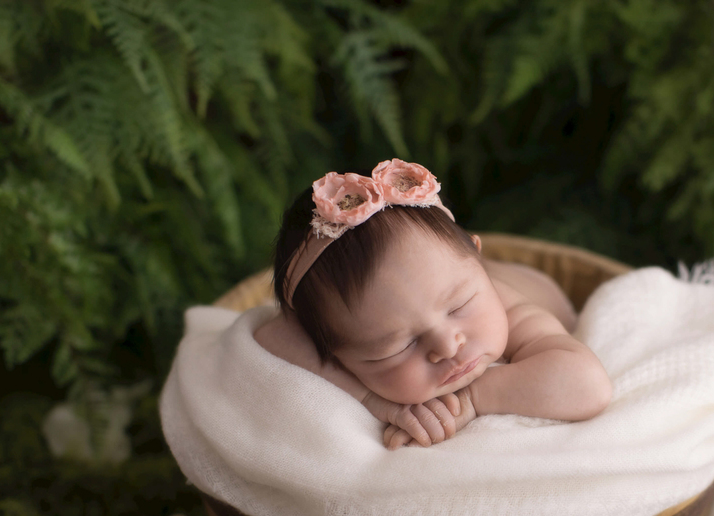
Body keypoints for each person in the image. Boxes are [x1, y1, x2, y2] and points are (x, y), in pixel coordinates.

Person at [253, 159, 612, 449]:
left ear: (476, 258)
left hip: (543, 291)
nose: (447, 346)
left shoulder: (507, 308)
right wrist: (374, 402)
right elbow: (272, 336)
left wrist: (472, 399)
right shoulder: (334, 336)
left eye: (459, 306)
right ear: (338, 356)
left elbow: (587, 385)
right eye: (398, 346)